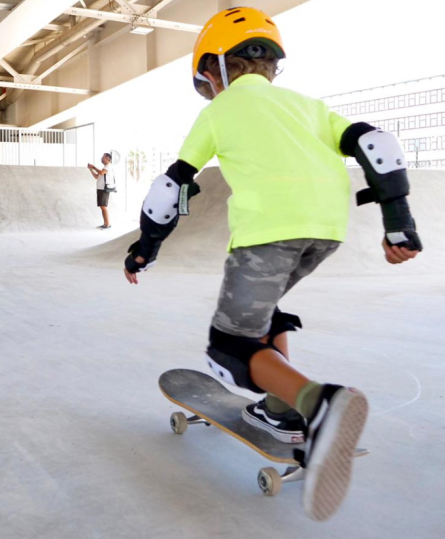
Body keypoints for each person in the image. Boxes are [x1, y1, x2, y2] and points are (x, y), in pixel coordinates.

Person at [123, 7, 421, 521]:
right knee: (265, 309)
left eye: (205, 82)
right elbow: (377, 146)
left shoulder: (217, 112)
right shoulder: (309, 105)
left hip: (269, 233)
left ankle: (316, 402)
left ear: (214, 68)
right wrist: (400, 224)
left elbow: (170, 188)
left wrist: (145, 248)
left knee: (232, 346)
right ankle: (279, 409)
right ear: (271, 65)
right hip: (326, 230)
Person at [87, 153, 113, 229]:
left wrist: (94, 167)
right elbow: (96, 176)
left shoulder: (109, 166)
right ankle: (105, 223)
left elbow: (101, 173)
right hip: (100, 189)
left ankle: (107, 224)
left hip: (104, 189)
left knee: (103, 206)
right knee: (102, 206)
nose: (101, 158)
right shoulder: (105, 167)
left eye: (103, 157)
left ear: (107, 159)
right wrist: (91, 169)